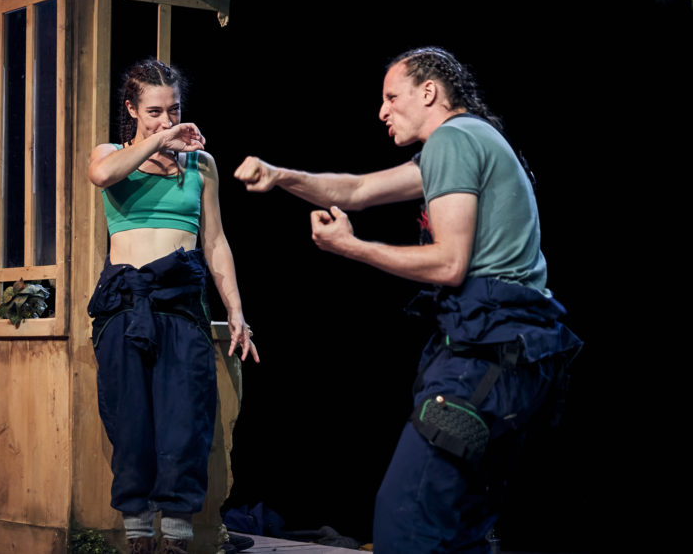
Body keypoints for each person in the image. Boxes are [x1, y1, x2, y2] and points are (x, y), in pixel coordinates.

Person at [234, 47, 581, 553]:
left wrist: (352, 248)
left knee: (407, 527)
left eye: (391, 97)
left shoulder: (453, 139)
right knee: (460, 534)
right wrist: (281, 176)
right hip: (515, 363)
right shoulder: (471, 141)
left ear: (429, 92)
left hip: (485, 358)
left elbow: (449, 264)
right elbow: (355, 189)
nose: (382, 111)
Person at [88, 59, 258, 554]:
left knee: (185, 419)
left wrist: (237, 310)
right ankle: (138, 532)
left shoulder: (201, 165)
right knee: (130, 419)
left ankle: (178, 536)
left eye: (174, 110)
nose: (166, 120)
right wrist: (158, 142)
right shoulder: (113, 153)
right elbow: (101, 175)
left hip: (181, 302)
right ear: (132, 110)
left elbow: (217, 241)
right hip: (126, 301)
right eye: (155, 111)